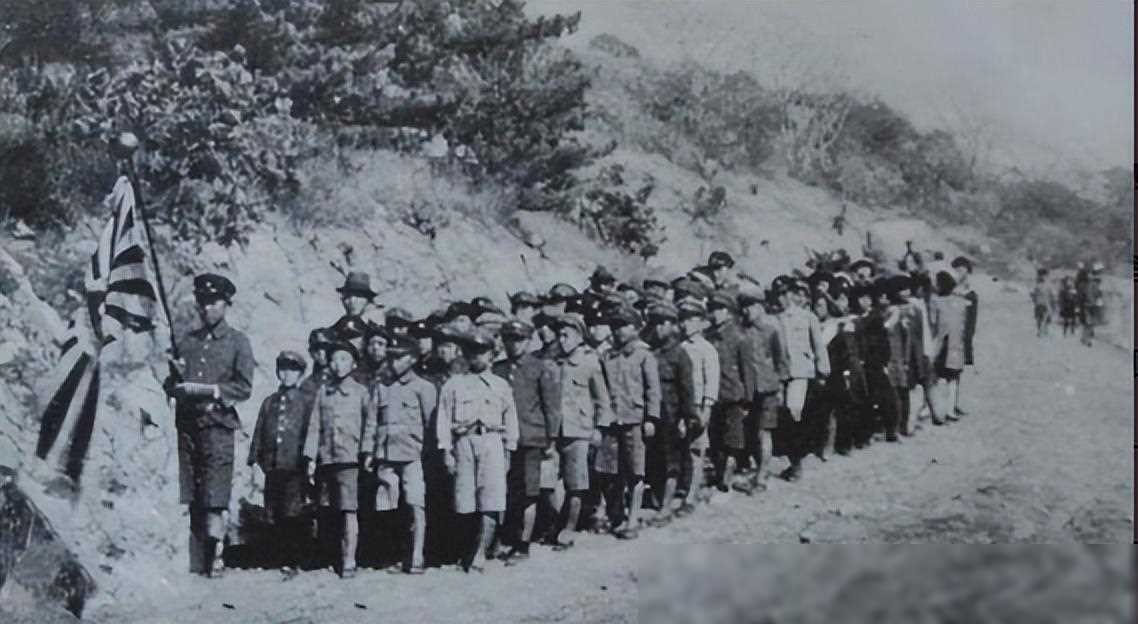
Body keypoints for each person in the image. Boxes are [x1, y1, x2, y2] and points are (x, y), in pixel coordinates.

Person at [165, 273, 255, 578]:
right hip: (188, 427)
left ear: (226, 304)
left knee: (215, 494)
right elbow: (171, 385)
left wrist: (214, 390)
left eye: (214, 303)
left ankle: (216, 554)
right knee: (191, 492)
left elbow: (244, 387)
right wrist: (175, 378)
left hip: (217, 425)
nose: (207, 309)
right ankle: (196, 557)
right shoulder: (188, 342)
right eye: (203, 303)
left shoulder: (238, 342)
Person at [436, 328, 519, 573]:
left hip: (492, 442)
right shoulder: (454, 385)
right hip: (464, 442)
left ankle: (480, 553)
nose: (477, 357)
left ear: (492, 354)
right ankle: (466, 551)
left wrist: (509, 449)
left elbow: (510, 418)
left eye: (482, 352)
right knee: (464, 501)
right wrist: (446, 450)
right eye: (472, 352)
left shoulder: (501, 385)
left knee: (491, 499)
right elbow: (443, 419)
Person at [302, 340, 372, 579]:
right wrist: (311, 457)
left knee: (348, 510)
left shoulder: (361, 393)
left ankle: (349, 558)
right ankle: (331, 555)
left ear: (353, 364)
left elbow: (370, 425)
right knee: (327, 509)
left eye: (343, 359)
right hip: (327, 459)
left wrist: (367, 452)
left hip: (349, 459)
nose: (338, 364)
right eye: (333, 360)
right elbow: (315, 426)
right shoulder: (324, 392)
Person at [493, 320, 562, 564]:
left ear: (529, 340)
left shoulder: (539, 368)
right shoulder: (498, 369)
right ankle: (504, 536)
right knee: (505, 489)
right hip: (502, 439)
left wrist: (551, 439)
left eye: (519, 339)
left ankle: (523, 544)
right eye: (509, 339)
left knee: (529, 492)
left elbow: (551, 407)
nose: (514, 344)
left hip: (530, 438)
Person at [374, 333, 437, 575]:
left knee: (415, 504)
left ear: (412, 359)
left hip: (412, 455)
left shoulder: (424, 388)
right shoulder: (383, 388)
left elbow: (431, 426)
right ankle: (393, 555)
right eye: (390, 358)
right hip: (386, 456)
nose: (393, 363)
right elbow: (374, 423)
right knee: (387, 507)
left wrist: (429, 456)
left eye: (399, 358)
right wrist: (371, 452)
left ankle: (416, 556)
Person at [247, 350, 313, 576]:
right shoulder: (269, 402)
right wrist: (254, 460)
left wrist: (309, 460)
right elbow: (259, 431)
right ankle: (275, 557)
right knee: (273, 510)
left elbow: (309, 433)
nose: (287, 375)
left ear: (300, 374)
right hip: (272, 466)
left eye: (293, 370)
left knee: (292, 511)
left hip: (294, 466)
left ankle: (293, 559)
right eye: (283, 369)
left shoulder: (305, 402)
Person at [597, 306, 660, 539]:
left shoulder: (644, 355)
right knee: (611, 471)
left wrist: (651, 418)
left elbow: (653, 390)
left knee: (636, 471)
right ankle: (616, 516)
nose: (619, 331)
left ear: (635, 328)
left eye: (624, 326)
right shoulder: (607, 356)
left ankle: (632, 519)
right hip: (612, 421)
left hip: (635, 420)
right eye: (615, 326)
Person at [552, 312, 611, 543]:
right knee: (551, 481)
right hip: (555, 430)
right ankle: (554, 523)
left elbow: (602, 400)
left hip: (579, 430)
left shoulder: (589, 362)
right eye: (559, 335)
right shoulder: (555, 362)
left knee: (576, 483)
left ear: (579, 336)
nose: (561, 340)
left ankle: (570, 527)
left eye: (566, 335)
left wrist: (599, 429)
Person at [643, 301, 694, 524]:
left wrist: (686, 418)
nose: (658, 329)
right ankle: (657, 499)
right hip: (653, 414)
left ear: (672, 325)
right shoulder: (650, 352)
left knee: (672, 462)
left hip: (673, 416)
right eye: (655, 324)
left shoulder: (680, 354)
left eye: (662, 324)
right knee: (654, 459)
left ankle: (666, 506)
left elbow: (687, 390)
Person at [775, 280, 830, 480]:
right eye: (778, 294)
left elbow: (818, 345)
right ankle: (793, 459)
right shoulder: (776, 319)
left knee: (794, 413)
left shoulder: (807, 317)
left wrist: (823, 370)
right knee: (785, 416)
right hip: (781, 373)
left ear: (791, 295)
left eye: (784, 294)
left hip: (800, 371)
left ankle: (797, 463)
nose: (781, 298)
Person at [704, 290, 756, 490]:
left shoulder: (739, 337)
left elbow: (747, 370)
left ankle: (726, 478)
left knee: (733, 439)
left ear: (728, 312)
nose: (715, 313)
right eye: (712, 309)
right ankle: (719, 474)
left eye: (719, 309)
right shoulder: (709, 336)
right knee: (716, 438)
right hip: (714, 394)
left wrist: (748, 399)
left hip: (734, 395)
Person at [737, 290, 787, 490]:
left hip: (768, 388)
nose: (746, 311)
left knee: (764, 432)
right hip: (747, 390)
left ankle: (762, 476)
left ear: (759, 307)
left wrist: (781, 386)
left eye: (750, 306)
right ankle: (756, 468)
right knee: (749, 432)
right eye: (744, 307)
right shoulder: (741, 331)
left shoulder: (771, 330)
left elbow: (780, 359)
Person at [677, 299, 718, 513]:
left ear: (701, 322)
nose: (685, 324)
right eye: (683, 319)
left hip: (698, 404)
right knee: (681, 448)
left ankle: (692, 495)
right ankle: (683, 487)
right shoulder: (681, 347)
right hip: (682, 405)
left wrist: (706, 408)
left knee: (696, 449)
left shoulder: (706, 349)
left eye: (690, 319)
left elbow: (711, 381)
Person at [928, 271, 968, 426]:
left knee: (936, 377)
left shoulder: (935, 302)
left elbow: (933, 323)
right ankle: (951, 410)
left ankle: (935, 409)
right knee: (953, 378)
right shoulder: (960, 301)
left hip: (942, 342)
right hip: (956, 343)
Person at [950, 256, 977, 417]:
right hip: (952, 332)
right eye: (957, 270)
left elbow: (972, 319)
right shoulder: (951, 287)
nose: (958, 273)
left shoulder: (970, 291)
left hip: (963, 333)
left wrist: (968, 336)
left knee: (957, 368)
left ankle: (953, 403)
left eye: (961, 270)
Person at [1030, 272, 1056, 338]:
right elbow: (1052, 296)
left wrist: (1034, 300)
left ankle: (1039, 330)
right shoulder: (1048, 287)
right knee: (1045, 317)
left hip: (1038, 304)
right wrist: (1053, 304)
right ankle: (1045, 329)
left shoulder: (1036, 287)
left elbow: (1032, 295)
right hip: (1045, 304)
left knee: (1038, 318)